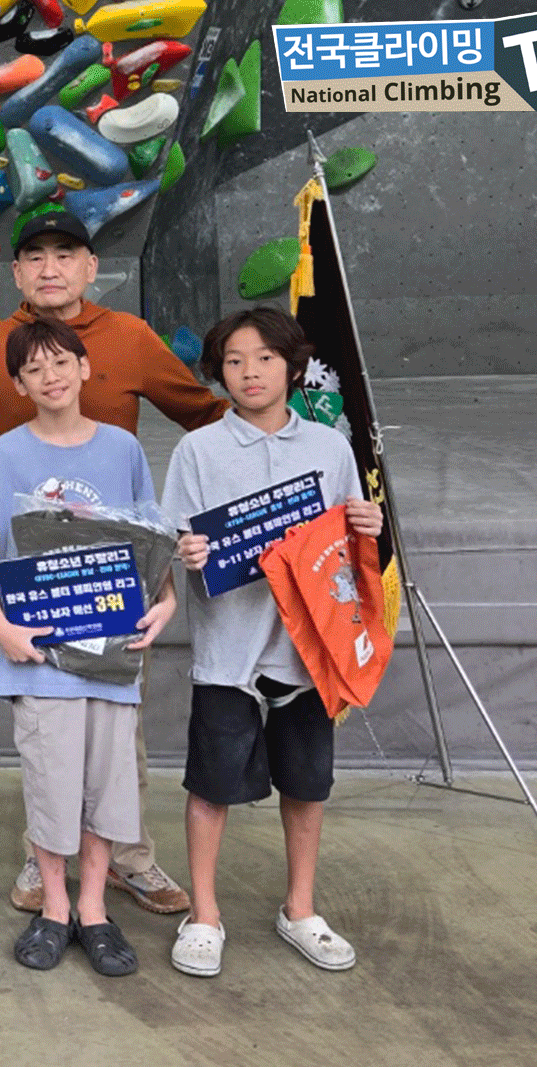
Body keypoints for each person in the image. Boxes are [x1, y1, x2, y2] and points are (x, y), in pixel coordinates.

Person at [0, 207, 220, 917]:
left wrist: (290, 447)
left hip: (115, 584)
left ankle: (130, 858)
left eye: (66, 254)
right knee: (46, 740)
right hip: (37, 585)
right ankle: (43, 853)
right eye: (35, 256)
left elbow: (204, 416)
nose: (50, 268)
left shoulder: (131, 337)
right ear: (16, 272)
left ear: (91, 267)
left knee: (119, 733)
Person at [161, 307, 382, 979]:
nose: (249, 372)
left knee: (307, 784)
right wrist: (185, 550)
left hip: (309, 652)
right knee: (211, 786)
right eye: (233, 361)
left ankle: (300, 909)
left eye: (263, 359)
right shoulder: (198, 450)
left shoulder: (329, 448)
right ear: (217, 373)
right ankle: (204, 916)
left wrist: (367, 523)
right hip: (227, 651)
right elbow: (170, 538)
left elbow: (346, 543)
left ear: (292, 367)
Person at [0, 318, 178, 977]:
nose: (49, 377)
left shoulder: (122, 449)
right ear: (19, 386)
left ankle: (95, 910)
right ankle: (55, 910)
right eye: (33, 369)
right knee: (51, 789)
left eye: (60, 362)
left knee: (109, 789)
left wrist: (165, 602)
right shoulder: (4, 456)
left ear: (84, 368)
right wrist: (1, 626)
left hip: (112, 657)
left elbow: (150, 543)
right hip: (41, 660)